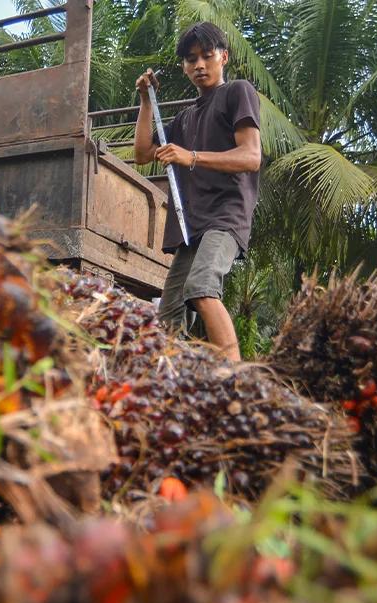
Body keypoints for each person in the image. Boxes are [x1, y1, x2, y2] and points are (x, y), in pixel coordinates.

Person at [133, 21, 262, 362]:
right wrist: (146, 100)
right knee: (169, 316)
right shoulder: (184, 119)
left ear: (224, 57)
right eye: (191, 59)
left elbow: (251, 156)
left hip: (224, 217)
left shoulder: (237, 92)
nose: (199, 65)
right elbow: (143, 154)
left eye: (207, 56)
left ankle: (237, 382)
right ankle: (176, 385)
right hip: (191, 229)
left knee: (202, 288)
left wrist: (190, 157)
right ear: (183, 66)